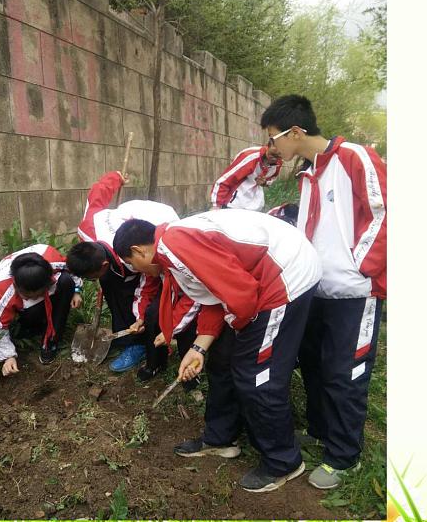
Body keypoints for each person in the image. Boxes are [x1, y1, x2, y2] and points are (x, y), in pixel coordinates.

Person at [112, 210, 322, 493]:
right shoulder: (170, 250)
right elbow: (214, 295)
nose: (135, 269)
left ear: (138, 250)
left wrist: (240, 331)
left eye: (130, 262)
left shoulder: (176, 245)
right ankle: (221, 439)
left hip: (283, 277)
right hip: (254, 283)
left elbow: (241, 298)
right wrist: (199, 348)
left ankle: (283, 460)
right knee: (221, 361)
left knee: (255, 373)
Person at [260, 94, 387, 490]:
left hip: (353, 292)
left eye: (273, 138)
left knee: (344, 373)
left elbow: (384, 212)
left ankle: (343, 455)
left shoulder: (354, 157)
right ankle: (320, 430)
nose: (271, 147)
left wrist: (359, 267)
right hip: (315, 291)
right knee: (314, 365)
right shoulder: (310, 173)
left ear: (295, 132)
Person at [66, 170, 179, 376]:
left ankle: (144, 342)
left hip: (156, 226)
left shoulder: (142, 254)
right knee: (110, 282)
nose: (93, 281)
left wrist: (141, 316)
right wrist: (115, 177)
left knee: (151, 298)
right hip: (127, 226)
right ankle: (129, 339)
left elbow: (148, 282)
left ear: (104, 263)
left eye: (92, 277)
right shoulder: (88, 229)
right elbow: (97, 195)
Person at [0, 245, 83, 376]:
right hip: (23, 307)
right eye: (30, 295)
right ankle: (32, 325)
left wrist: (76, 290)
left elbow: (70, 268)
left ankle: (51, 339)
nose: (36, 297)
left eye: (39, 294)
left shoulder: (51, 259)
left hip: (47, 287)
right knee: (32, 311)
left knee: (66, 281)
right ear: (16, 286)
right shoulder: (0, 294)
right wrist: (8, 357)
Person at [209, 145, 282, 211]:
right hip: (235, 203)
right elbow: (226, 180)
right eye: (272, 155)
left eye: (278, 157)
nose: (274, 159)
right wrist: (216, 205)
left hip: (255, 205)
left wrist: (264, 183)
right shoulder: (250, 157)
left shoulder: (278, 163)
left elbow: (272, 178)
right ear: (269, 146)